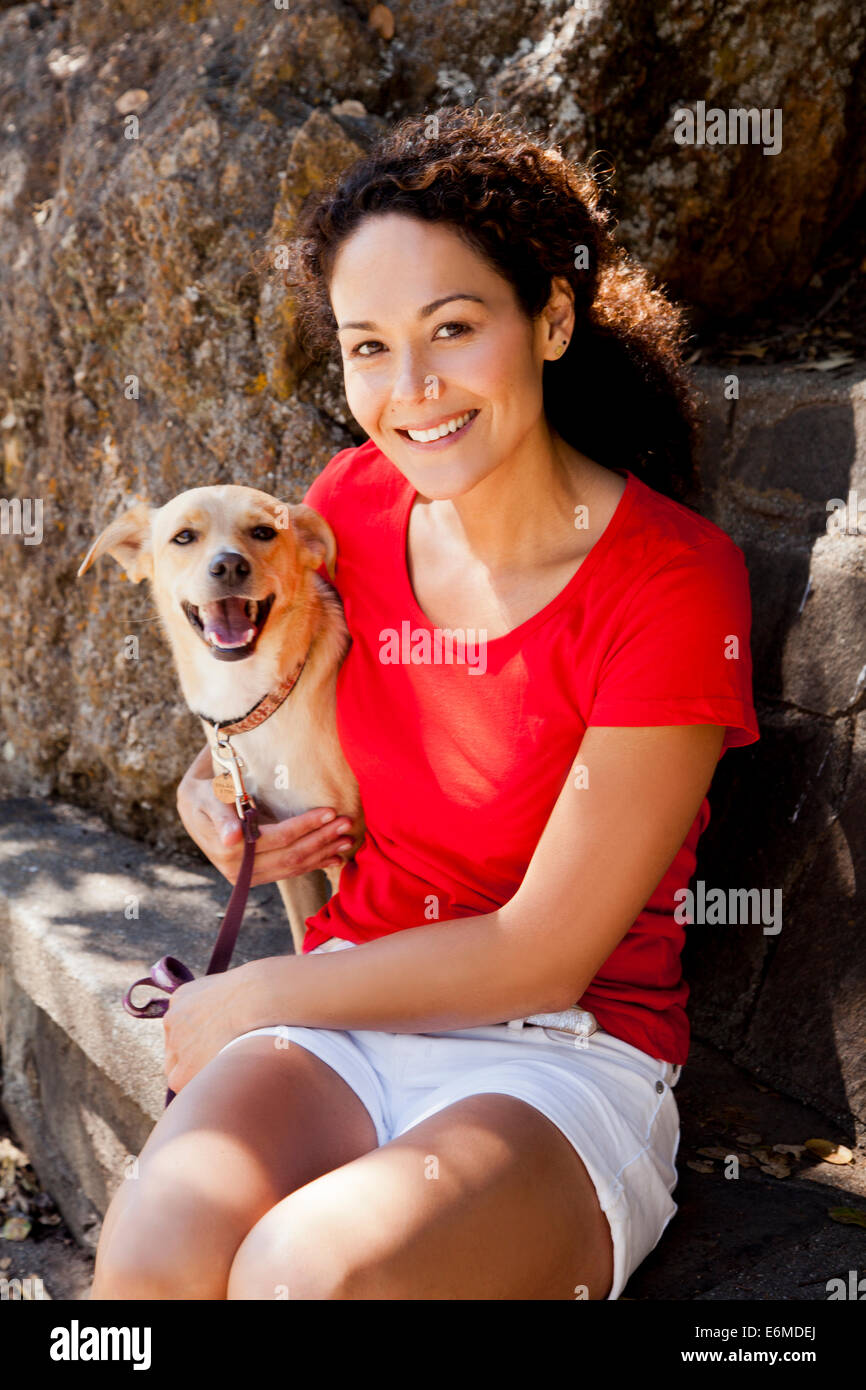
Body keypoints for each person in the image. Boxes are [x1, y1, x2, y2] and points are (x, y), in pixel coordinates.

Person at [90, 105, 759, 1301]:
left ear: (551, 318)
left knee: (306, 1273)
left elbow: (543, 956)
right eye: (366, 347)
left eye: (451, 328)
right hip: (344, 1014)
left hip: (554, 1058)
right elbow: (259, 695)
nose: (412, 390)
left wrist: (252, 992)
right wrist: (221, 793)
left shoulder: (671, 580)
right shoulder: (343, 507)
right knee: (150, 1257)